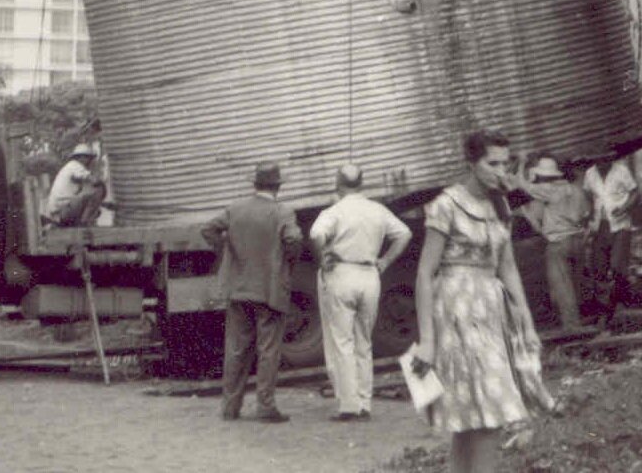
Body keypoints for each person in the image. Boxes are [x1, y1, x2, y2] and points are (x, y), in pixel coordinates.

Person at [412, 129, 553, 472]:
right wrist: (427, 342)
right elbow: (424, 274)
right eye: (492, 163)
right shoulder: (447, 204)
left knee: (475, 415)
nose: (500, 171)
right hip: (457, 310)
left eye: (505, 164)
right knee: (484, 411)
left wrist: (528, 325)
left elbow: (508, 268)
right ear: (471, 163)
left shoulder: (499, 204)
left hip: (491, 310)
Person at [200, 161, 303, 424]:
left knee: (236, 349)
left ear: (255, 184)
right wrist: (286, 265)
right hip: (269, 290)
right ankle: (265, 406)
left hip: (238, 289)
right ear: (277, 186)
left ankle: (230, 407)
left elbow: (208, 229)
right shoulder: (283, 213)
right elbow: (293, 241)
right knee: (268, 349)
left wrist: (226, 251)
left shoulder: (235, 209)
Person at [309, 161, 413, 422]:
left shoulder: (333, 212)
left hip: (341, 273)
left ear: (337, 184)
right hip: (370, 275)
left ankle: (349, 405)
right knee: (364, 340)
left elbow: (315, 235)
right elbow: (404, 234)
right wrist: (386, 261)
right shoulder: (377, 210)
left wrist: (322, 256)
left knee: (342, 341)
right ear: (361, 183)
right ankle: (365, 402)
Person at [514, 156, 590, 329]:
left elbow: (521, 184)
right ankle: (579, 319)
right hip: (578, 240)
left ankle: (572, 328)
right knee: (575, 283)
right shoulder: (577, 190)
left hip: (559, 243)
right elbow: (586, 216)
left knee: (563, 288)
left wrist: (522, 162)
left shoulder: (549, 190)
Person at [585, 154, 640, 315]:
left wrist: (623, 208)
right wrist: (592, 212)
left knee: (617, 265)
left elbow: (636, 194)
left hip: (620, 224)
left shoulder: (621, 170)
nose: (603, 164)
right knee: (599, 266)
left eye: (606, 160)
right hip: (600, 225)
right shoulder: (590, 174)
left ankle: (622, 300)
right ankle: (604, 307)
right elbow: (588, 194)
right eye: (599, 161)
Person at [45, 143, 106, 227]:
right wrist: (101, 184)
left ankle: (79, 224)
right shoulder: (75, 166)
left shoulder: (70, 167)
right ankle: (83, 225)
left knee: (96, 209)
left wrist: (103, 204)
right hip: (62, 210)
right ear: (81, 157)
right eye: (88, 158)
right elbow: (94, 181)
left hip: (58, 211)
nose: (90, 161)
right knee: (98, 189)